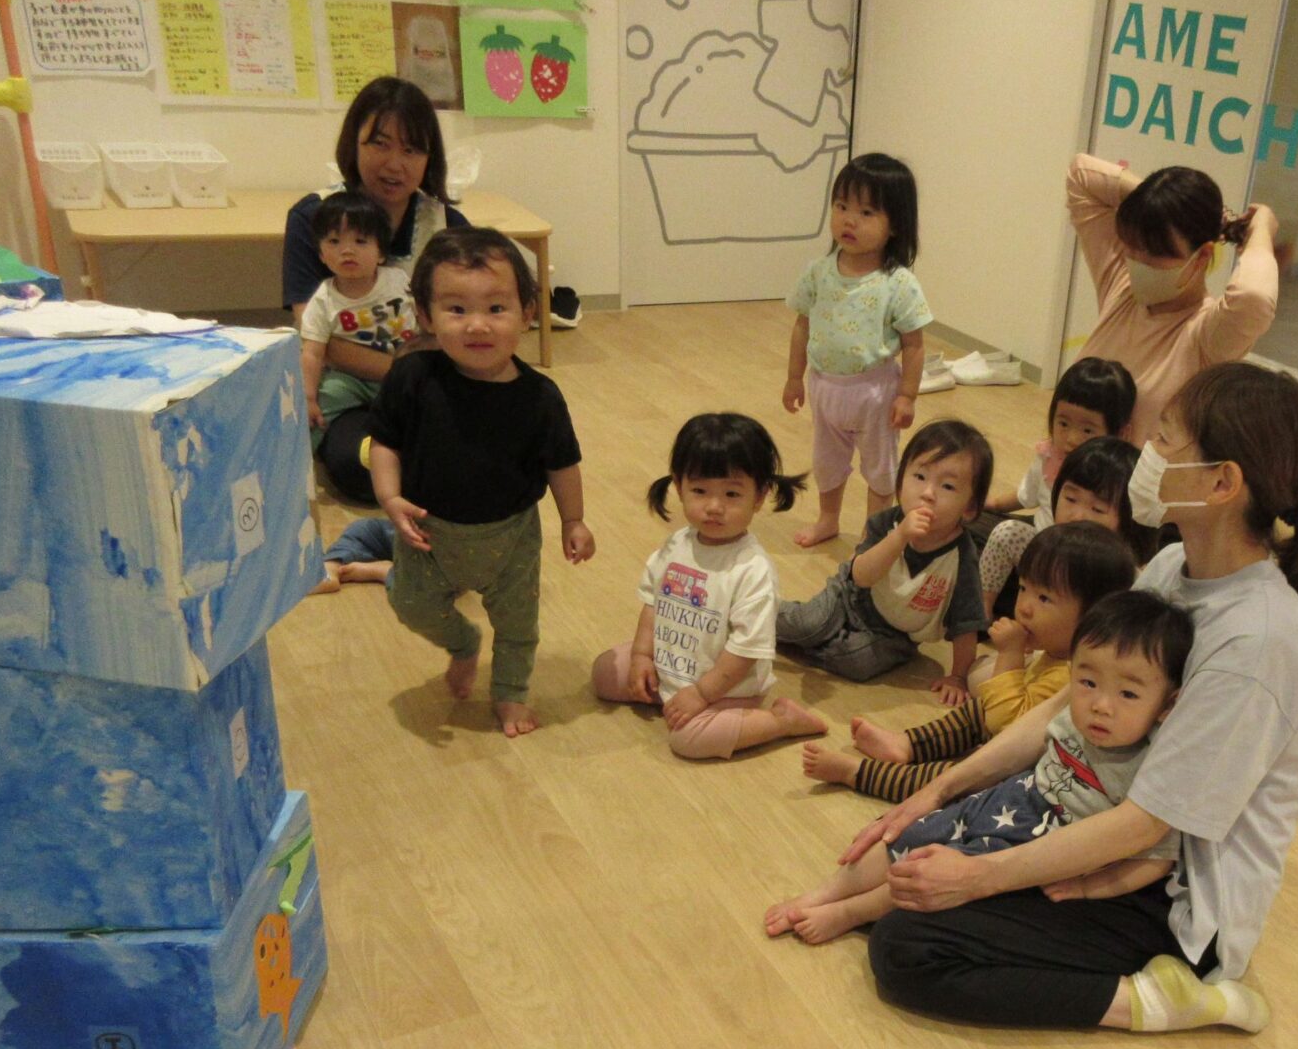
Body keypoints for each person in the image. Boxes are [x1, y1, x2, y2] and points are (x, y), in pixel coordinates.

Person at [848, 362, 1298, 1035]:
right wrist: (939, 791)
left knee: (908, 948)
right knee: (911, 854)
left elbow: (1145, 826)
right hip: (1098, 815)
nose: (1148, 455)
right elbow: (1064, 707)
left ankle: (1161, 1001)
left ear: (1221, 482)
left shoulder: (1257, 642)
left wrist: (978, 878)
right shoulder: (1173, 565)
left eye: (1166, 440)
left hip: (1172, 897)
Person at [765, 590, 1192, 946]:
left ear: (1166, 706)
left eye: (1128, 694)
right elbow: (1028, 732)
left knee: (931, 873)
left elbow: (1154, 861)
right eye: (1088, 682)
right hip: (1008, 797)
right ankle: (823, 893)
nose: (1100, 705)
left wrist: (1087, 887)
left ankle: (851, 913)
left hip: (1038, 846)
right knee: (910, 832)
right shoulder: (1073, 715)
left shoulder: (1151, 766)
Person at [370, 228, 592, 739]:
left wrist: (574, 520)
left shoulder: (540, 397)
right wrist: (389, 496)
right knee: (409, 605)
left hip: (511, 538)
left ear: (528, 313)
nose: (477, 324)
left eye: (496, 308)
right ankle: (464, 643)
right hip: (427, 534)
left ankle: (510, 693)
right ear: (426, 315)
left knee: (517, 625)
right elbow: (385, 441)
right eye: (456, 309)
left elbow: (562, 464)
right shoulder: (412, 377)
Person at [805, 521, 1135, 801]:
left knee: (955, 776)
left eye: (1045, 598)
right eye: (1023, 588)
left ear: (1093, 616)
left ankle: (859, 773)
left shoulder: (1071, 676)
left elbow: (1008, 727)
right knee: (977, 709)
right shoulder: (1056, 651)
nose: (1024, 607)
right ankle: (906, 744)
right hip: (1008, 737)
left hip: (1021, 773)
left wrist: (1010, 655)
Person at [591, 413, 830, 759]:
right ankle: (669, 695)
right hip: (674, 666)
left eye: (732, 494)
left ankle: (780, 721)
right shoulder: (677, 544)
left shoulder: (752, 570)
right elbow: (653, 604)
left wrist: (702, 694)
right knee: (604, 672)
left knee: (687, 739)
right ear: (679, 486)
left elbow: (745, 651)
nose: (714, 507)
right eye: (700, 491)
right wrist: (643, 656)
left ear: (759, 496)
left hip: (728, 687)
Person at [286, 77, 470, 503]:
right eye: (380, 144)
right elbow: (319, 339)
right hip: (348, 389)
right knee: (358, 467)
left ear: (430, 158)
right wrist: (403, 372)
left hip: (427, 384)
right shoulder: (316, 217)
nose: (395, 164)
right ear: (353, 143)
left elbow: (466, 317)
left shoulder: (447, 225)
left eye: (412, 150)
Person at [1067, 152, 1280, 445]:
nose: (1138, 261)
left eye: (1156, 253)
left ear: (1202, 256)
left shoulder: (1208, 337)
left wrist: (1261, 230)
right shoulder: (1122, 288)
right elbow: (1081, 175)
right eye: (1132, 246)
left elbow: (1254, 297)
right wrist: (1162, 206)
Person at [775, 419, 991, 700]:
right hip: (849, 596)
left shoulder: (961, 556)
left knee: (857, 662)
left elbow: (966, 623)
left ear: (970, 508)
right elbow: (861, 577)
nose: (928, 493)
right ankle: (754, 614)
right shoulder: (886, 523)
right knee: (807, 623)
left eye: (948, 486)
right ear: (900, 481)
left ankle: (809, 643)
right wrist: (899, 536)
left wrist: (958, 676)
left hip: (895, 635)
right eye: (920, 476)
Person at [783, 152, 932, 548]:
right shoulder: (818, 272)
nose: (849, 220)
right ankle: (828, 519)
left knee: (880, 468)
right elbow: (802, 325)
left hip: (875, 392)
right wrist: (794, 377)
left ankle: (873, 533)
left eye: (866, 212)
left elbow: (914, 345)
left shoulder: (897, 282)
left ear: (895, 224)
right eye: (841, 206)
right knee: (827, 461)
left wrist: (907, 395)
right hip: (824, 387)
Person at [977, 357, 1138, 609]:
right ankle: (982, 607)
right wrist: (994, 504)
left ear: (1121, 433)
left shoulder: (1121, 477)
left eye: (1087, 430)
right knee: (1004, 532)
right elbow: (1026, 495)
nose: (1071, 438)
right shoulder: (1048, 458)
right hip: (1044, 551)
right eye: (1063, 423)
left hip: (1092, 566)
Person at [979, 435, 1153, 627]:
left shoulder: (1125, 580)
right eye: (1070, 499)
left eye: (1097, 509)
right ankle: (982, 610)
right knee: (1007, 533)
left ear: (1128, 520)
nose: (1077, 516)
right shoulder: (1048, 544)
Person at [298, 191, 418, 434]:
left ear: (381, 253)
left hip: (400, 374)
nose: (347, 251)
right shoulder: (323, 299)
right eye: (334, 241)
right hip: (349, 379)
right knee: (318, 407)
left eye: (360, 241)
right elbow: (312, 353)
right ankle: (305, 450)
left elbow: (425, 318)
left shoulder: (398, 280)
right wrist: (308, 398)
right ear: (321, 254)